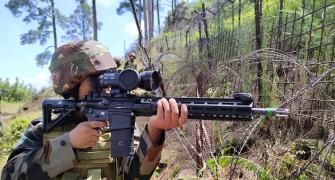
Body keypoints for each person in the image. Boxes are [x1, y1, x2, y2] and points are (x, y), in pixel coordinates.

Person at [1, 40, 188, 180]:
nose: (106, 87)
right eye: (97, 80)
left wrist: (154, 130)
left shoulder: (118, 123)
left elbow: (134, 176)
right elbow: (9, 175)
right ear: (71, 86)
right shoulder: (42, 130)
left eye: (110, 76)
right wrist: (69, 143)